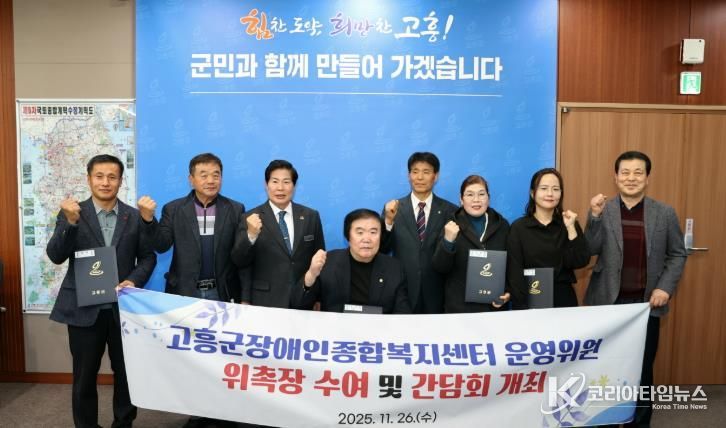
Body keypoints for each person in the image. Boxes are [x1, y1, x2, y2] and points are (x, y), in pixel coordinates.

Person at [47, 154, 156, 428]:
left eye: (112, 177)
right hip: (84, 309)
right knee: (84, 376)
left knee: (126, 374)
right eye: (99, 176)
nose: (105, 182)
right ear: (89, 179)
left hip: (124, 309)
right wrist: (70, 223)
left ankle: (123, 423)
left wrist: (133, 280)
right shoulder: (73, 212)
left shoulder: (134, 216)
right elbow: (56, 255)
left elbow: (147, 257)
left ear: (120, 181)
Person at [585, 151, 687, 427]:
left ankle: (639, 424)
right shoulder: (603, 210)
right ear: (616, 177)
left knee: (642, 370)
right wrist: (593, 216)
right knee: (604, 369)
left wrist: (665, 288)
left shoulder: (664, 213)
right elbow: (588, 250)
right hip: (607, 305)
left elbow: (678, 254)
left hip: (645, 307)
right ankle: (604, 421)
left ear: (647, 177)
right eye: (625, 172)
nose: (631, 178)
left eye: (638, 172)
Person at [138, 153, 246, 303]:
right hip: (184, 292)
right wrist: (148, 220)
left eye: (216, 175)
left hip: (222, 292)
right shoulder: (173, 209)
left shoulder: (235, 209)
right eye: (204, 175)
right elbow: (161, 245)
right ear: (191, 180)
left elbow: (240, 254)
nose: (211, 181)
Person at [232, 159, 325, 308]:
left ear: (294, 185)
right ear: (266, 184)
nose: (280, 188)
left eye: (286, 182)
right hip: (265, 301)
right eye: (275, 181)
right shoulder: (250, 217)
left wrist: (318, 297)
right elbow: (239, 261)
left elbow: (319, 260)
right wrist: (251, 235)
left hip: (304, 298)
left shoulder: (310, 216)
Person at [292, 209, 411, 314]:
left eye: (373, 232)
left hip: (378, 330)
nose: (366, 239)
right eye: (360, 232)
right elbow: (298, 306)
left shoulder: (394, 269)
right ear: (348, 236)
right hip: (335, 330)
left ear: (380, 236)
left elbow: (403, 315)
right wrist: (311, 275)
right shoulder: (327, 262)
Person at [380, 152, 457, 313]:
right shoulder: (393, 209)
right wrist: (388, 222)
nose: (420, 177)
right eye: (415, 172)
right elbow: (383, 249)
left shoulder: (450, 211)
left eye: (426, 172)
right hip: (402, 289)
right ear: (409, 176)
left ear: (436, 176)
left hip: (437, 292)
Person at [506, 168, 590, 309]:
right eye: (544, 188)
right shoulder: (519, 228)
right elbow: (514, 273)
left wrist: (570, 228)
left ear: (561, 194)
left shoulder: (569, 223)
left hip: (563, 300)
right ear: (533, 193)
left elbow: (580, 261)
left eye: (555, 189)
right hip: (529, 298)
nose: (550, 194)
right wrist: (523, 307)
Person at [432, 175, 511, 313]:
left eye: (481, 194)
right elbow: (440, 268)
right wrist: (448, 241)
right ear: (461, 199)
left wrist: (508, 291)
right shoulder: (450, 225)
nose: (476, 200)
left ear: (488, 198)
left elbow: (511, 264)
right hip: (459, 309)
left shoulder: (502, 225)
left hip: (493, 308)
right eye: (470, 194)